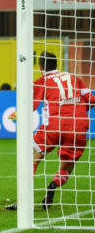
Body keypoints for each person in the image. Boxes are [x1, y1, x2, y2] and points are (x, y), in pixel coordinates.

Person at [5, 51, 95, 211]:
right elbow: (92, 100)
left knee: (31, 157)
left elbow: (29, 106)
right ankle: (54, 183)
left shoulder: (42, 81)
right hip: (78, 126)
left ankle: (23, 202)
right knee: (67, 167)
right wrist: (78, 110)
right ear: (57, 65)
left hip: (54, 125)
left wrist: (16, 114)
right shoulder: (74, 78)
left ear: (40, 67)